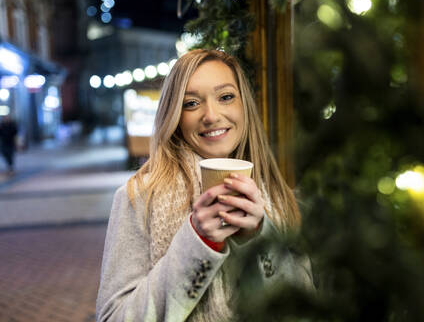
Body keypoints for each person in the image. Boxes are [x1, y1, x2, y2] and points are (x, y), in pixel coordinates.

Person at [96, 49, 314, 322]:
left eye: (225, 97)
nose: (211, 115)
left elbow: (304, 304)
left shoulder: (276, 194)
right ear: (174, 116)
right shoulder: (139, 196)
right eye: (191, 103)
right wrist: (197, 242)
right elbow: (113, 318)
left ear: (244, 105)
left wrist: (258, 237)